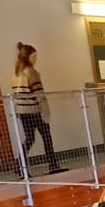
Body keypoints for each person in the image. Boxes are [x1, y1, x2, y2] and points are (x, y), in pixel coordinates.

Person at [12, 42, 65, 174]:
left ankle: (20, 165)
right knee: (46, 136)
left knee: (29, 138)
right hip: (35, 110)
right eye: (33, 57)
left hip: (22, 111)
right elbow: (39, 93)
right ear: (27, 58)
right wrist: (45, 111)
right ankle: (53, 164)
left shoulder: (16, 73)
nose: (35, 59)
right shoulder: (32, 72)